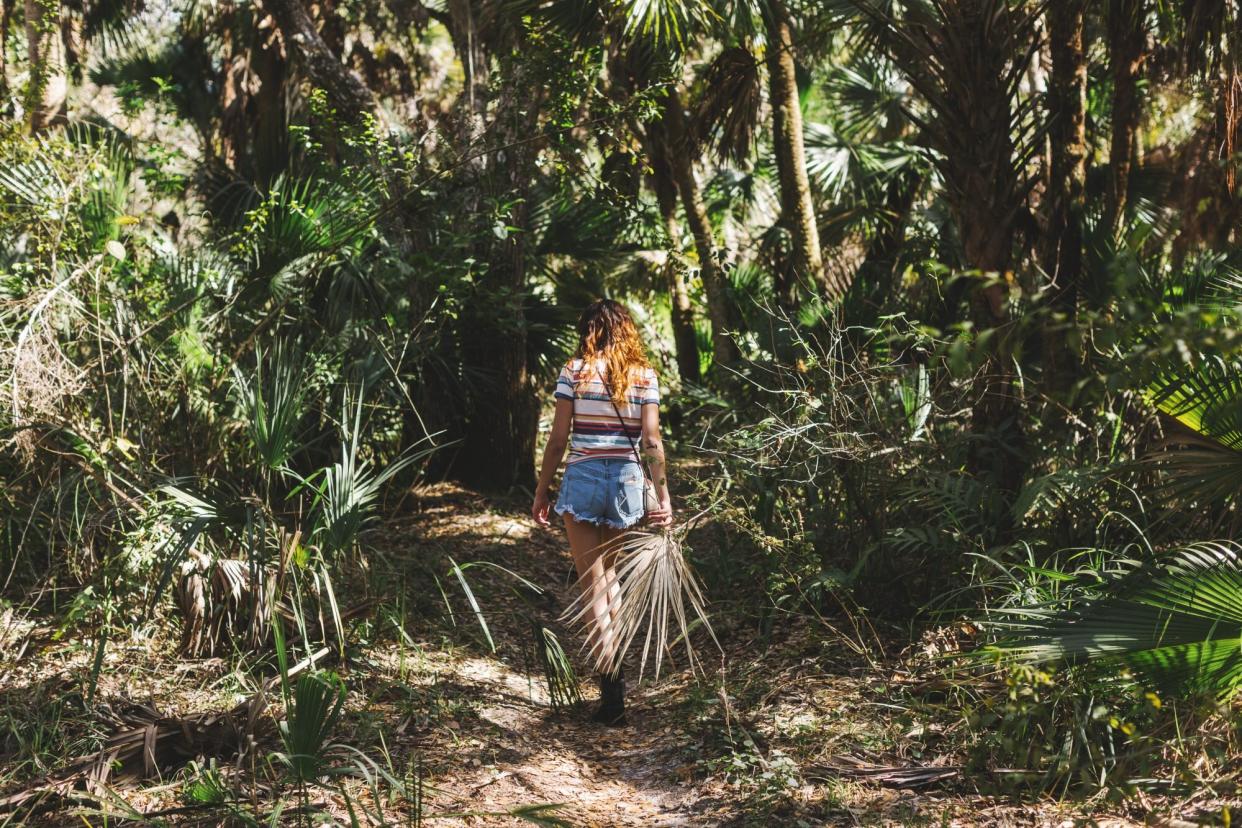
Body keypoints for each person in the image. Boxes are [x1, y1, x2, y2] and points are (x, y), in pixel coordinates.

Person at [531, 299, 673, 726]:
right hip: (628, 483)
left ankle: (610, 683)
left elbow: (558, 441)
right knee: (610, 577)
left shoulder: (573, 372)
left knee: (593, 582)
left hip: (584, 479)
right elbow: (651, 440)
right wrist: (663, 497)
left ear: (588, 329)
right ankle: (616, 673)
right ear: (627, 329)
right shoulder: (644, 376)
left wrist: (542, 491)